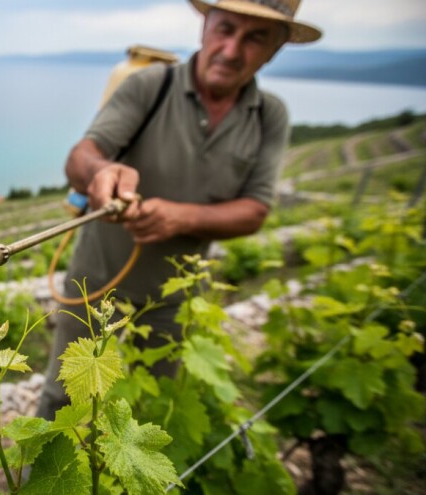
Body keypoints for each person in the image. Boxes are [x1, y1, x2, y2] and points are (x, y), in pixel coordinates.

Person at [36, 0, 322, 420]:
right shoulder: (149, 86)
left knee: (154, 407)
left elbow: (256, 209)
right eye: (225, 29)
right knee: (64, 395)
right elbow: (82, 156)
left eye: (255, 38)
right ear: (204, 26)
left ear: (276, 49)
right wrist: (100, 173)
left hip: (173, 298)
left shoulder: (270, 116)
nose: (231, 49)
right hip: (93, 284)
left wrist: (181, 216)